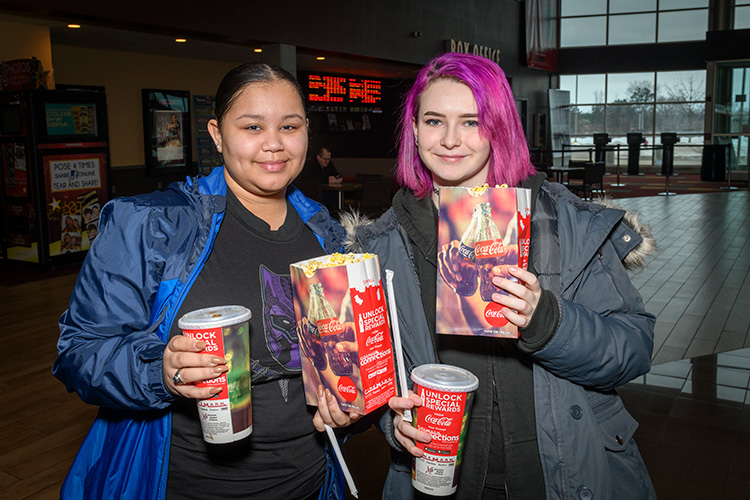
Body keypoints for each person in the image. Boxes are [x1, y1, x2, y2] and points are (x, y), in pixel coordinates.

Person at [341, 53, 657, 499]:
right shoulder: (385, 244)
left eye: (471, 122)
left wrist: (548, 320)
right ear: (414, 130)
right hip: (439, 480)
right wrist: (395, 426)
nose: (450, 139)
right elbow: (379, 376)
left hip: (559, 477)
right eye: (434, 121)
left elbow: (634, 348)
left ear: (500, 127)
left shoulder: (562, 222)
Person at [53, 62, 356, 500]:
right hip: (189, 484)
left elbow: (340, 365)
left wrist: (352, 402)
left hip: (312, 482)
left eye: (289, 126)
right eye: (252, 126)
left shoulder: (326, 235)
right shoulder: (153, 225)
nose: (274, 143)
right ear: (216, 134)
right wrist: (160, 370)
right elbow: (80, 350)